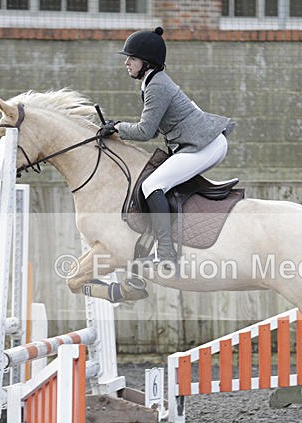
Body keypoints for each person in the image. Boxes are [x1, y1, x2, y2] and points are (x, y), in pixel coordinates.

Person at [99, 27, 234, 267]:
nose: (127, 63)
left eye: (132, 58)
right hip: (199, 143)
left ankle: (166, 253)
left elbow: (145, 131)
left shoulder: (157, 86)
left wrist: (117, 126)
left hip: (206, 145)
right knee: (160, 181)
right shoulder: (152, 81)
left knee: (153, 184)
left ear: (147, 62)